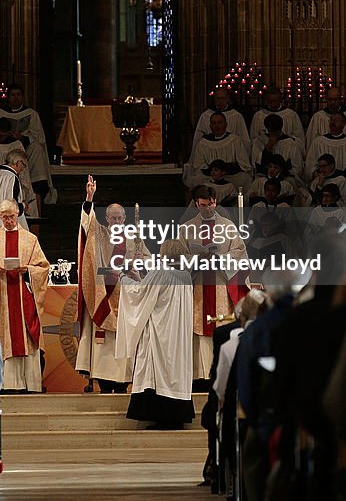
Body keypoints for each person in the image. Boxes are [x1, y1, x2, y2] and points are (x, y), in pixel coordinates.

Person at [76, 175, 147, 392]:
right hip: (104, 292)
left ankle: (124, 379)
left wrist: (136, 267)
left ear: (125, 218)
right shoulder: (101, 233)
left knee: (124, 339)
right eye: (112, 218)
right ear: (106, 218)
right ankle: (104, 381)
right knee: (104, 342)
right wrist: (89, 198)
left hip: (126, 293)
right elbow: (87, 226)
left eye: (119, 218)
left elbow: (147, 260)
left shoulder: (135, 237)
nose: (116, 221)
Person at [0, 198, 49, 393]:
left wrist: (28, 270)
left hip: (24, 298)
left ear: (18, 215)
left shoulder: (30, 239)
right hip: (2, 300)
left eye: (12, 217)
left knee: (24, 338)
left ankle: (29, 384)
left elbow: (43, 267)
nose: (9, 221)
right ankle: (6, 384)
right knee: (4, 338)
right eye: (5, 217)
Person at [116, 240, 195, 430]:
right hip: (177, 334)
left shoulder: (161, 273)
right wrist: (138, 277)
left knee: (158, 369)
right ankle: (176, 416)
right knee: (173, 371)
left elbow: (139, 294)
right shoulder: (185, 276)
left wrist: (123, 278)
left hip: (161, 332)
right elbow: (151, 290)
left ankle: (161, 417)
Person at [177, 184, 249, 382]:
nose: (207, 209)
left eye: (210, 204)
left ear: (215, 202)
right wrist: (196, 260)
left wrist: (220, 259)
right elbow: (178, 256)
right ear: (196, 204)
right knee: (198, 331)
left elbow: (239, 253)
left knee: (220, 328)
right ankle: (199, 376)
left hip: (220, 284)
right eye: (202, 205)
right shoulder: (186, 228)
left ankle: (222, 375)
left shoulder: (227, 225)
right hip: (198, 285)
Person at [0, 84, 57, 205]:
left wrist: (23, 137)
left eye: (18, 95)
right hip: (4, 151)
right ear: (8, 97)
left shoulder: (31, 114)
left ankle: (37, 184)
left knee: (37, 148)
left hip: (24, 150)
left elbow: (39, 137)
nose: (16, 98)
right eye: (13, 95)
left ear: (23, 97)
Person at [304, 112, 346, 207]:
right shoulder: (319, 142)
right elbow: (311, 164)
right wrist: (318, 175)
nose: (332, 123)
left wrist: (343, 174)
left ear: (343, 124)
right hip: (324, 178)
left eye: (336, 120)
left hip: (345, 179)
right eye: (331, 120)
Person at [306, 86, 346, 177]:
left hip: (345, 162)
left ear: (340, 99)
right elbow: (311, 144)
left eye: (335, 99)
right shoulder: (318, 117)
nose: (332, 102)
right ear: (326, 99)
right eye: (330, 99)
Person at [185, 112, 253, 192]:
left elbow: (243, 163)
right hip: (211, 176)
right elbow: (199, 165)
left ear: (226, 124)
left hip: (229, 176)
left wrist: (225, 171)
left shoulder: (235, 140)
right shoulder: (203, 143)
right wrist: (214, 172)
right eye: (214, 123)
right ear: (210, 126)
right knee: (197, 179)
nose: (216, 126)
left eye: (219, 123)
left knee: (245, 178)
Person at [191, 86, 251, 153]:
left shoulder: (236, 116)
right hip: (210, 151)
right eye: (218, 98)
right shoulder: (205, 115)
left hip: (230, 151)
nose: (220, 101)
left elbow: (244, 139)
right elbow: (198, 138)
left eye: (223, 98)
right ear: (214, 99)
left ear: (227, 98)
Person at [250, 114, 304, 181]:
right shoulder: (260, 141)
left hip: (285, 179)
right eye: (271, 131)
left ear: (280, 129)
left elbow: (297, 169)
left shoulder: (290, 144)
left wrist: (280, 174)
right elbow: (256, 165)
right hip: (265, 178)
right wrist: (268, 148)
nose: (273, 135)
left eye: (275, 132)